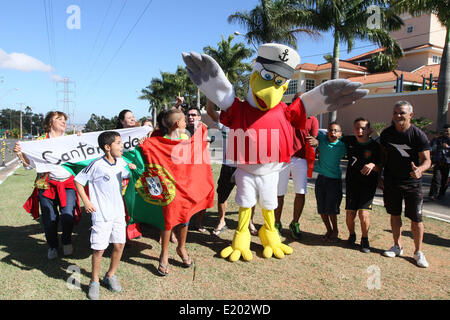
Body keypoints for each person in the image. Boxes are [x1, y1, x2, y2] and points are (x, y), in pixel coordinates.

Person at [75, 131, 136, 300]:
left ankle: (110, 275)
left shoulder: (122, 162)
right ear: (107, 147)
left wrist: (131, 170)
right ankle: (94, 281)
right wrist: (86, 202)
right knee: (99, 248)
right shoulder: (96, 165)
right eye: (118, 143)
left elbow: (126, 178)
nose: (121, 146)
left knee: (119, 245)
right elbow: (78, 181)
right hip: (101, 214)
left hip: (118, 213)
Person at [14, 111, 80, 260]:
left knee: (68, 215)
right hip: (46, 185)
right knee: (50, 219)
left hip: (67, 184)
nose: (64, 122)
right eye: (59, 119)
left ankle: (66, 240)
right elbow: (28, 166)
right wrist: (20, 154)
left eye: (64, 120)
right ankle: (52, 246)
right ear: (50, 123)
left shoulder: (71, 140)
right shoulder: (39, 141)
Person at [379, 101, 431, 268]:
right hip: (392, 182)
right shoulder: (387, 134)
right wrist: (379, 176)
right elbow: (382, 156)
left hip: (412, 184)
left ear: (411, 115)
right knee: (394, 215)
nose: (398, 116)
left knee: (416, 219)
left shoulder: (418, 135)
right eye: (395, 113)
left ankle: (418, 252)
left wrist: (420, 170)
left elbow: (427, 160)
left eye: (401, 113)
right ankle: (397, 246)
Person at [205, 99, 258, 236]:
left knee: (249, 195)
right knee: (222, 195)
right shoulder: (224, 122)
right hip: (228, 165)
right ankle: (221, 221)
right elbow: (210, 111)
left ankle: (250, 222)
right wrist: (210, 94)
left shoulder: (251, 121)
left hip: (246, 167)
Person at [275, 93, 319, 239]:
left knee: (301, 192)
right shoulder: (284, 114)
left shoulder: (312, 119)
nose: (299, 103)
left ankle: (295, 223)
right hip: (283, 159)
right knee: (279, 193)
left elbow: (315, 139)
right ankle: (276, 223)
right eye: (296, 100)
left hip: (301, 160)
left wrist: (315, 142)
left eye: (302, 100)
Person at [158, 109, 193, 276]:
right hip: (168, 188)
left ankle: (181, 247)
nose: (186, 122)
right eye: (184, 120)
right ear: (178, 124)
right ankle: (164, 255)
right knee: (168, 221)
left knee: (185, 219)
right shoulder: (160, 141)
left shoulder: (186, 138)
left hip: (185, 185)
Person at [341, 118, 381, 253]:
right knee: (350, 214)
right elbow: (332, 137)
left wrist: (372, 165)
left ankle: (365, 240)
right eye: (357, 128)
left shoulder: (375, 147)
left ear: (370, 130)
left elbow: (381, 166)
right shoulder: (350, 141)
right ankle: (352, 236)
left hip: (368, 186)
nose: (360, 131)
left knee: (363, 214)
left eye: (363, 128)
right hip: (352, 184)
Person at [307, 122, 347, 242]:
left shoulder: (342, 146)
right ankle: (328, 230)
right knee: (322, 208)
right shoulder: (323, 137)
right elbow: (311, 130)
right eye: (330, 130)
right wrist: (316, 140)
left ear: (340, 134)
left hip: (334, 181)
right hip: (321, 179)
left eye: (336, 131)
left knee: (332, 209)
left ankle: (335, 231)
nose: (333, 133)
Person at [116, 109, 143, 240]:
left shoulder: (141, 134)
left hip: (136, 174)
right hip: (120, 176)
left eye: (133, 117)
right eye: (129, 117)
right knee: (121, 205)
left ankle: (133, 230)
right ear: (122, 121)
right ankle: (121, 231)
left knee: (133, 203)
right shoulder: (114, 136)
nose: (132, 119)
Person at [186, 106, 208, 232]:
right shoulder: (181, 130)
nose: (190, 117)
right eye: (188, 115)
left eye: (194, 115)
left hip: (200, 169)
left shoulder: (203, 128)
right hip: (185, 170)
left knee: (203, 197)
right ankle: (184, 223)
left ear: (199, 117)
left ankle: (198, 222)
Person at [428, 124, 449, 201]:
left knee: (445, 181)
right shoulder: (438, 139)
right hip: (438, 162)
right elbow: (431, 148)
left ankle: (441, 194)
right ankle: (433, 194)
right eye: (444, 131)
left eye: (447, 131)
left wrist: (448, 147)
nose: (446, 132)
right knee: (436, 179)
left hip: (448, 164)